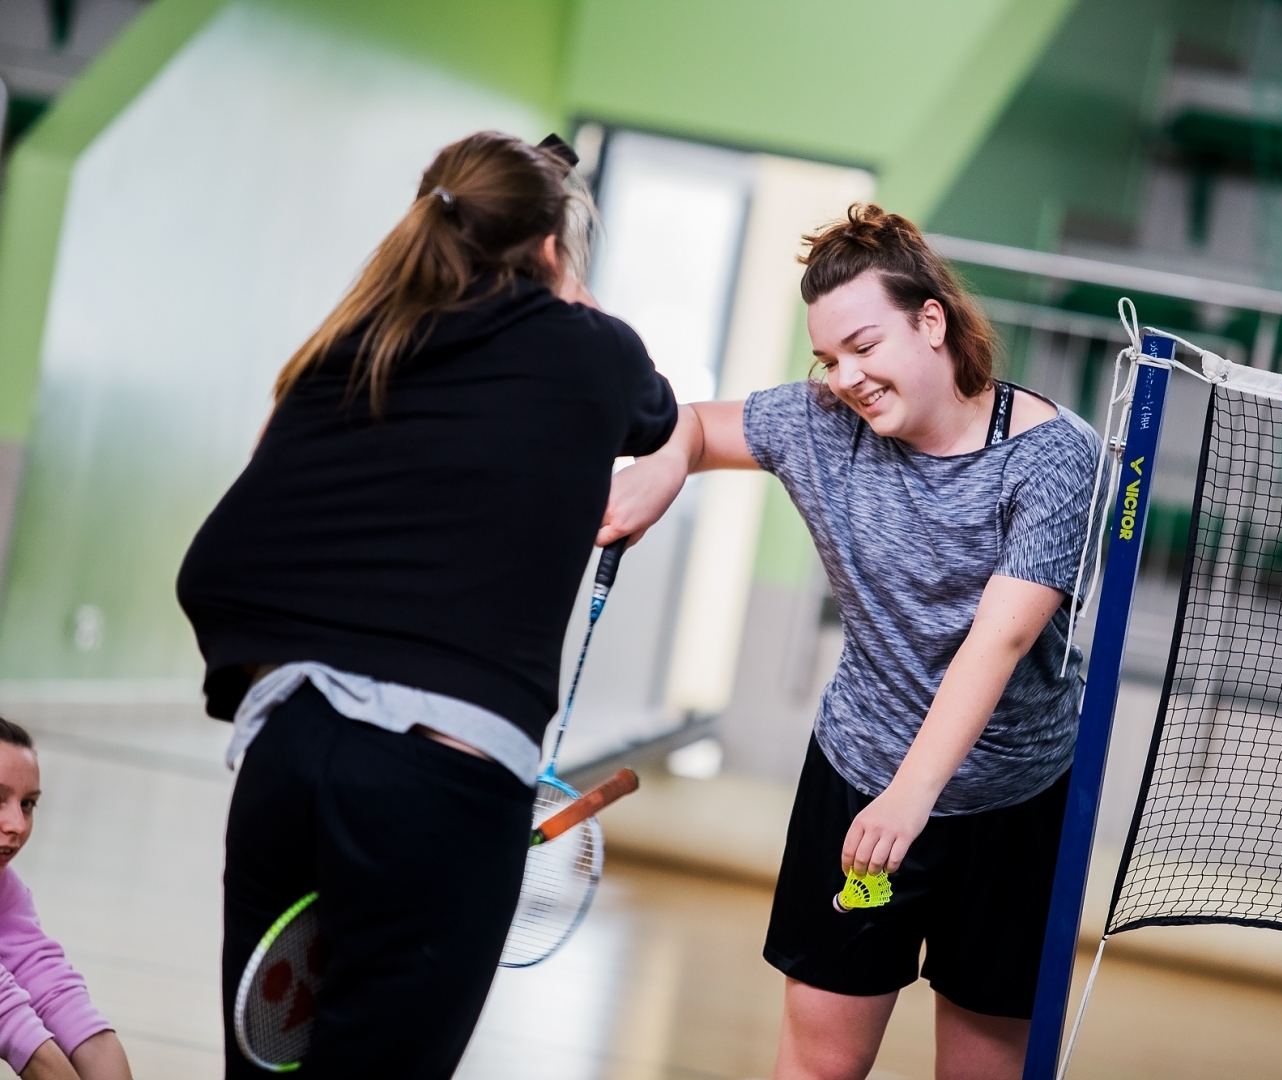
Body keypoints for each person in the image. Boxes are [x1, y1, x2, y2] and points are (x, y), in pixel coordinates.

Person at [176, 131, 676, 1079]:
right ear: (549, 246)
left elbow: (218, 562)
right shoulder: (592, 352)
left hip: (287, 755)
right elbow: (656, 415)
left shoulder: (351, 344)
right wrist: (566, 289)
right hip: (439, 787)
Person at [603, 205, 1101, 1080]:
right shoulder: (821, 423)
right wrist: (666, 465)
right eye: (829, 358)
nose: (846, 378)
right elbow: (691, 422)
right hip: (859, 770)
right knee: (819, 1065)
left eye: (864, 346)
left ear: (931, 321)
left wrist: (911, 797)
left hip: (1014, 801)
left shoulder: (1054, 458)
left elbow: (1001, 638)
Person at [0, 717, 132, 1080]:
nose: (17, 825)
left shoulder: (6, 889)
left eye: (28, 804)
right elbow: (11, 1020)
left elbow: (56, 994)